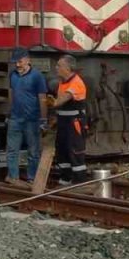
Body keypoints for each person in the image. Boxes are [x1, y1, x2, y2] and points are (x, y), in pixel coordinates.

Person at [4, 48, 49, 186]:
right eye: (15, 62)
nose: (17, 65)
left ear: (28, 60)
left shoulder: (37, 76)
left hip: (32, 119)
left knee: (33, 151)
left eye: (20, 61)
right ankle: (13, 177)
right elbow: (11, 94)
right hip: (15, 118)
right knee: (12, 149)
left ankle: (32, 178)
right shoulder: (13, 75)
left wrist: (43, 119)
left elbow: (42, 98)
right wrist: (9, 113)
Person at [50, 54, 89, 184]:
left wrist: (50, 102)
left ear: (67, 68)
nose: (56, 68)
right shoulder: (63, 82)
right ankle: (65, 178)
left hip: (74, 123)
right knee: (62, 150)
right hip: (63, 122)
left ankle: (79, 181)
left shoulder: (76, 83)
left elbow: (61, 100)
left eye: (59, 66)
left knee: (75, 151)